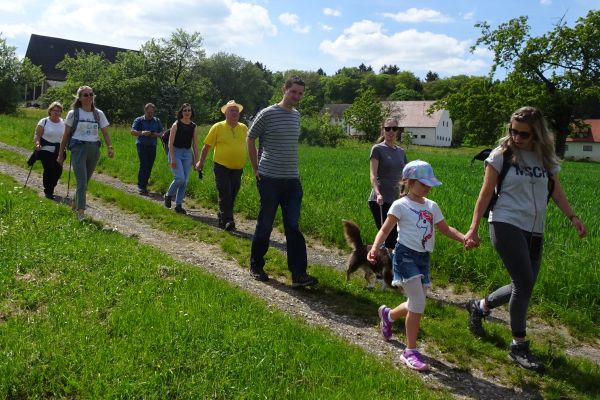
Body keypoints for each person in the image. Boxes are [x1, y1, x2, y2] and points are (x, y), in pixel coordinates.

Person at [464, 106, 587, 372]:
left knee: (524, 284)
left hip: (535, 229)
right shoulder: (501, 155)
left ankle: (479, 306)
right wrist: (473, 229)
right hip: (505, 222)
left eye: (524, 134)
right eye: (513, 131)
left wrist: (573, 217)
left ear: (537, 134)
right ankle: (518, 346)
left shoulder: (546, 159)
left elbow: (557, 193)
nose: (517, 137)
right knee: (523, 284)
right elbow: (485, 194)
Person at [369, 160, 466, 371]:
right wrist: (375, 247)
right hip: (404, 256)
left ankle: (388, 315)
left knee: (415, 302)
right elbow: (385, 230)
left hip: (423, 259)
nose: (427, 187)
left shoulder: (432, 206)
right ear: (409, 182)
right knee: (418, 302)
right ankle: (410, 351)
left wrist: (464, 238)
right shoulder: (400, 205)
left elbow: (446, 229)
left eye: (430, 184)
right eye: (423, 183)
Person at [247, 76, 318, 288]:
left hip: (292, 180)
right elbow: (250, 137)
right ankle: (256, 265)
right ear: (284, 89)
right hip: (269, 179)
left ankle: (299, 274)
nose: (296, 96)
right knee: (266, 224)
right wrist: (255, 168)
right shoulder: (267, 113)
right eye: (293, 91)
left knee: (293, 226)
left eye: (300, 93)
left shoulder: (296, 116)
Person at [57, 86, 113, 221]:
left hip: (94, 149)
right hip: (78, 148)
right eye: (85, 95)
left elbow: (105, 133)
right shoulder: (73, 113)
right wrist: (60, 153)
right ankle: (81, 213)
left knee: (85, 181)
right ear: (80, 98)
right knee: (81, 181)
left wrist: (110, 147)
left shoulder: (98, 114)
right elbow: (65, 135)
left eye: (91, 94)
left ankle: (74, 204)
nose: (89, 97)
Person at [196, 100, 248, 231]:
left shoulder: (244, 128)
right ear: (226, 113)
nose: (235, 113)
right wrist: (201, 162)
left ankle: (222, 215)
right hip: (221, 166)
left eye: (236, 111)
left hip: (238, 167)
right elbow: (206, 146)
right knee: (225, 192)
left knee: (233, 193)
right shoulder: (217, 127)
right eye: (232, 111)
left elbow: (250, 145)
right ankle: (228, 220)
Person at [368, 117, 408, 249]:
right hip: (380, 200)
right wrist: (378, 193)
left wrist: (404, 192)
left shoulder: (401, 152)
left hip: (396, 201)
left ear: (398, 131)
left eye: (394, 128)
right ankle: (377, 258)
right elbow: (373, 175)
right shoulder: (377, 149)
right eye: (387, 128)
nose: (391, 131)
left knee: (395, 237)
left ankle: (381, 258)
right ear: (383, 130)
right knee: (389, 236)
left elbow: (405, 176)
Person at [164, 103, 199, 214]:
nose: (187, 112)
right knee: (180, 178)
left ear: (191, 112)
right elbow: (170, 143)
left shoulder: (193, 126)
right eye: (185, 110)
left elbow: (195, 145)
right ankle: (168, 195)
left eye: (189, 110)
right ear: (181, 112)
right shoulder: (176, 124)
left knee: (185, 181)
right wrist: (173, 159)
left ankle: (178, 205)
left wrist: (196, 161)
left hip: (187, 153)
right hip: (175, 152)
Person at [34, 101, 65, 199]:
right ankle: (48, 191)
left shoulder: (63, 123)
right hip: (45, 150)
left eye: (59, 111)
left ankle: (51, 187)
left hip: (59, 151)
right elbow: (37, 135)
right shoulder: (44, 121)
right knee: (49, 170)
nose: (56, 112)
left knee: (58, 171)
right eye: (55, 110)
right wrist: (37, 143)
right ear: (50, 111)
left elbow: (67, 136)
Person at [131, 103, 163, 195]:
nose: (150, 114)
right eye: (148, 112)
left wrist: (154, 134)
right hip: (141, 145)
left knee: (149, 165)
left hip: (152, 145)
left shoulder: (157, 121)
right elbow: (132, 131)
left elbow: (162, 133)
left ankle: (144, 184)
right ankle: (141, 186)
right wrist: (142, 133)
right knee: (144, 164)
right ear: (145, 111)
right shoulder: (139, 120)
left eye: (152, 112)